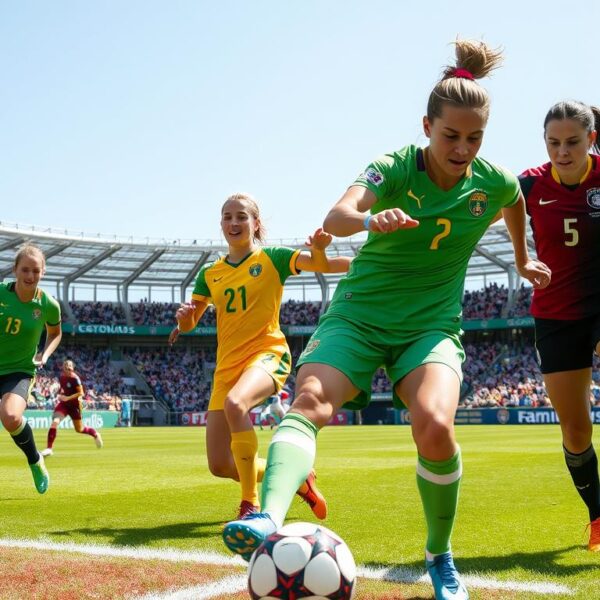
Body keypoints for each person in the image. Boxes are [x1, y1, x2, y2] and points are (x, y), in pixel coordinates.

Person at [222, 40, 551, 600]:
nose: (463, 148)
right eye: (451, 135)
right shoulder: (395, 167)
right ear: (427, 126)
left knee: (436, 425)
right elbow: (337, 215)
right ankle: (266, 519)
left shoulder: (489, 181)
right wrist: (372, 219)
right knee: (309, 403)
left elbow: (514, 196)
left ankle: (439, 554)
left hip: (430, 327)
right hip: (359, 316)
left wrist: (522, 256)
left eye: (475, 138)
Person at [170, 192, 352, 523]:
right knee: (220, 465)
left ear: (256, 223)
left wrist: (338, 256)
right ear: (221, 224)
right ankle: (296, 476)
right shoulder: (210, 273)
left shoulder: (273, 258)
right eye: (227, 217)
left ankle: (250, 506)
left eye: (241, 216)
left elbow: (324, 266)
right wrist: (183, 317)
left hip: (267, 354)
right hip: (227, 367)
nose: (234, 222)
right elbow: (189, 323)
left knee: (237, 405)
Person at [518, 100, 600, 552]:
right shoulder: (528, 184)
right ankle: (598, 515)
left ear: (591, 138)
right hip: (556, 314)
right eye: (553, 142)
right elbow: (475, 210)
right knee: (575, 431)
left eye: (572, 141)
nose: (562, 151)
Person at [0, 243, 62, 494]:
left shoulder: (48, 304)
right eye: (25, 269)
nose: (30, 276)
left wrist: (45, 354)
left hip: (20, 370)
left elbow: (55, 333)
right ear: (15, 270)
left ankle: (35, 460)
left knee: (11, 417)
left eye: (35, 271)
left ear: (43, 272)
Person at [40, 359, 103, 456]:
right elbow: (63, 390)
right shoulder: (62, 377)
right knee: (55, 422)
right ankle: (49, 448)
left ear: (73, 368)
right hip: (64, 405)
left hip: (75, 406)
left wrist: (67, 398)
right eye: (65, 366)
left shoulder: (75, 379)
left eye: (69, 367)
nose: (67, 368)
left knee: (80, 429)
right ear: (63, 368)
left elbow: (81, 393)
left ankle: (95, 434)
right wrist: (60, 395)